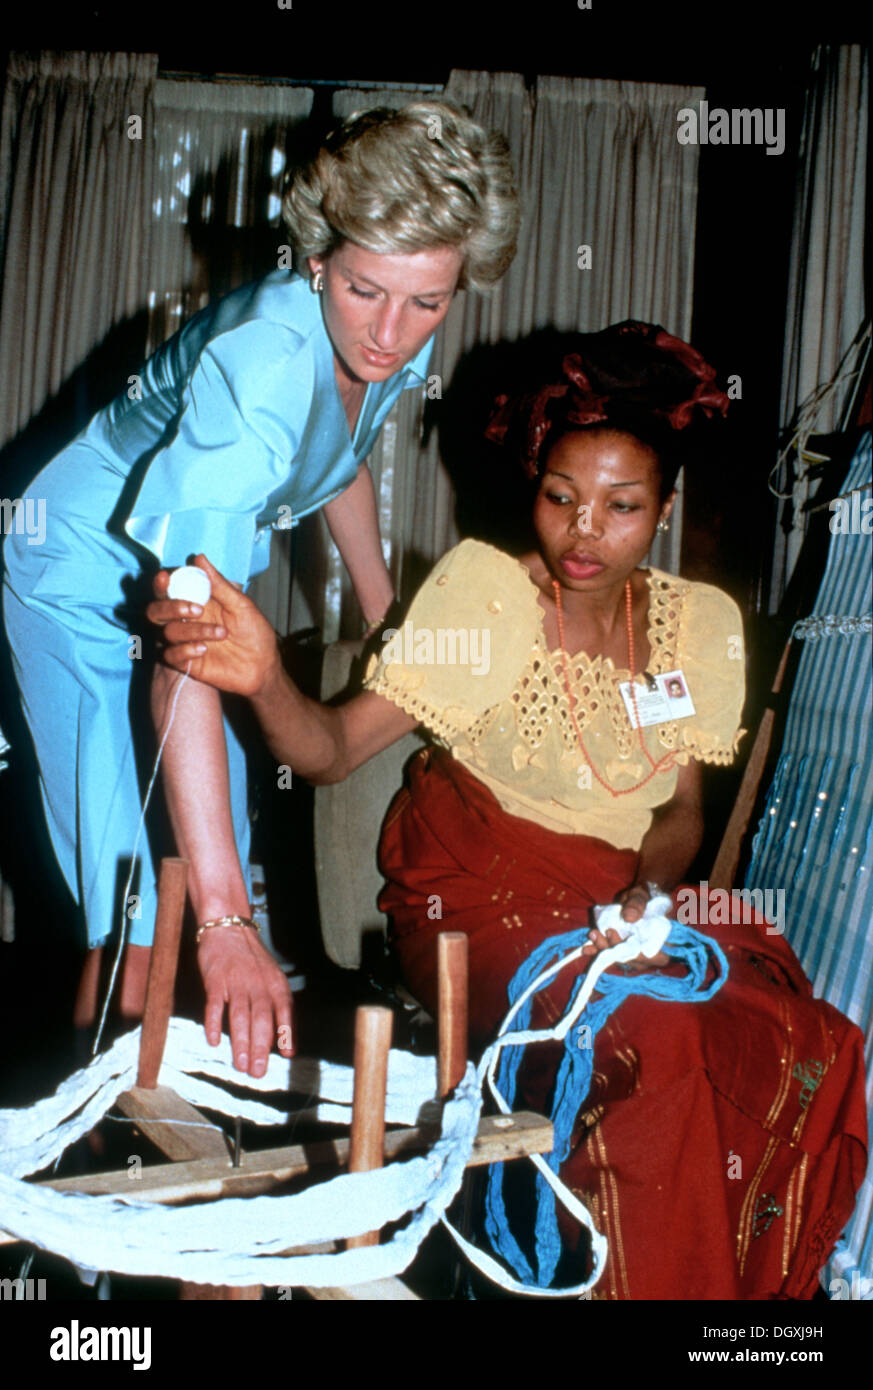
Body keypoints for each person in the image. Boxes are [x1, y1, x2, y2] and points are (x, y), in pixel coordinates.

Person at [148, 323, 867, 1298]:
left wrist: (652, 898)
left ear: (664, 505)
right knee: (653, 1037)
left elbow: (682, 810)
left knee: (782, 1032)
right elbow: (327, 751)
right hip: (474, 895)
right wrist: (268, 678)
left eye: (622, 506)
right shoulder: (484, 593)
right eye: (562, 497)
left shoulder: (700, 625)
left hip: (624, 898)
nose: (583, 533)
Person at [2, 100, 519, 1077]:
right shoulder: (261, 375)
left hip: (167, 578)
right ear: (318, 258)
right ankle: (105, 1120)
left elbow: (344, 461)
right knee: (139, 886)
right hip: (73, 570)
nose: (392, 331)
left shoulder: (378, 333)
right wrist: (226, 921)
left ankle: (178, 1088)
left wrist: (383, 617)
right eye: (366, 290)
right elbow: (190, 660)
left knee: (216, 849)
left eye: (428, 303)